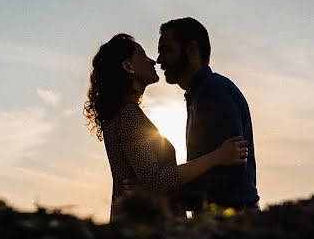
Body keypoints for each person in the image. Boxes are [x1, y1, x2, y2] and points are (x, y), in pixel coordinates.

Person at [84, 33, 249, 222]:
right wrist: (216, 157)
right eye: (144, 56)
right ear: (128, 66)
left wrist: (147, 188)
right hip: (147, 228)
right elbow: (158, 181)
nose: (153, 61)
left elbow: (151, 182)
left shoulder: (123, 114)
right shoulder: (127, 115)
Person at [157, 17, 260, 213]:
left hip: (233, 220)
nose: (159, 59)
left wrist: (168, 194)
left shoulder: (214, 90)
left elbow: (231, 169)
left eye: (166, 50)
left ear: (192, 50)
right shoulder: (198, 95)